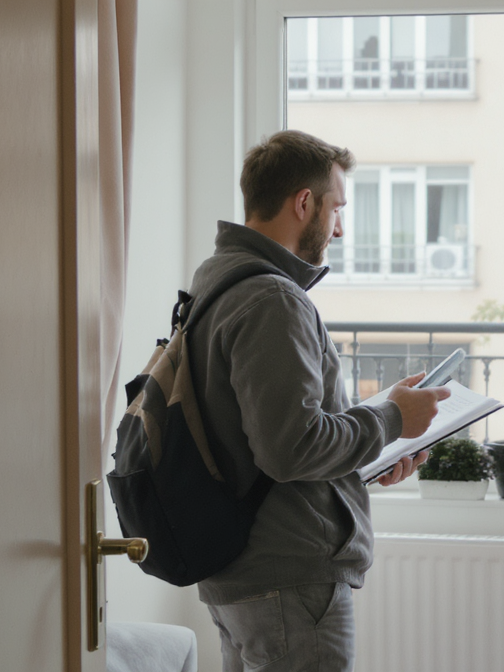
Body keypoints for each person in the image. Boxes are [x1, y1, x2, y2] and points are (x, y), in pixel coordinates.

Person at [184, 130, 449, 671]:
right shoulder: (273, 297)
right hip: (289, 580)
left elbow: (260, 438)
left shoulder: (216, 279)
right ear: (304, 203)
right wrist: (393, 416)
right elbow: (291, 449)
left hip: (242, 574)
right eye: (336, 208)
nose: (340, 228)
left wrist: (369, 461)